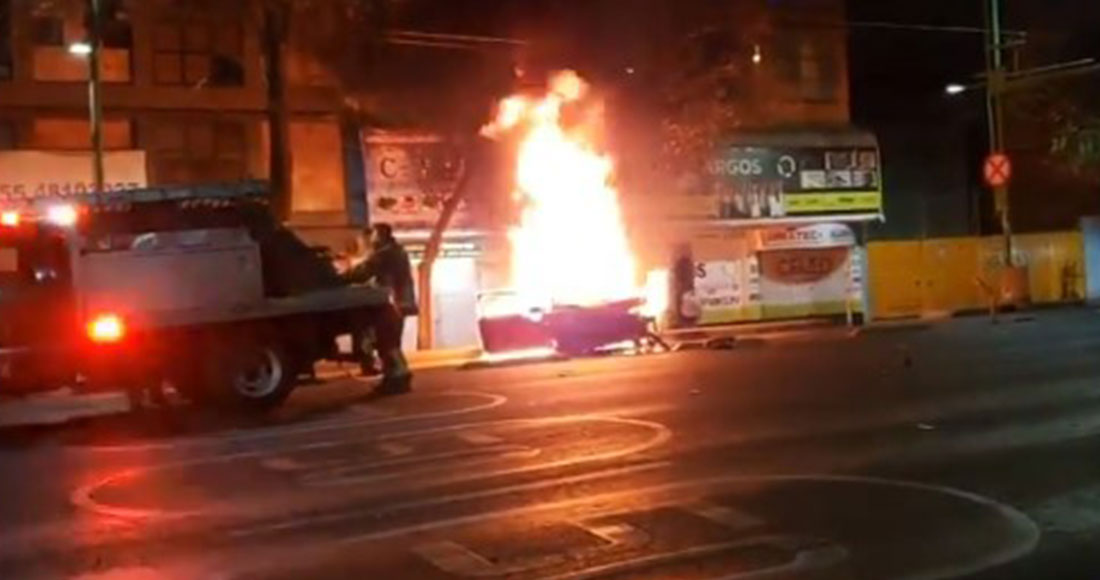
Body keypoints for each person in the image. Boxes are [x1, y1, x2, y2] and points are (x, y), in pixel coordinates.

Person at [344, 223, 417, 394]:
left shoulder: (385, 254)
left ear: (381, 236)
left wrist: (338, 278)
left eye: (374, 235)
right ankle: (395, 377)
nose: (371, 238)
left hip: (392, 304)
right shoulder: (396, 251)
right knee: (390, 343)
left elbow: (363, 272)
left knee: (387, 342)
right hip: (399, 303)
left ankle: (398, 377)